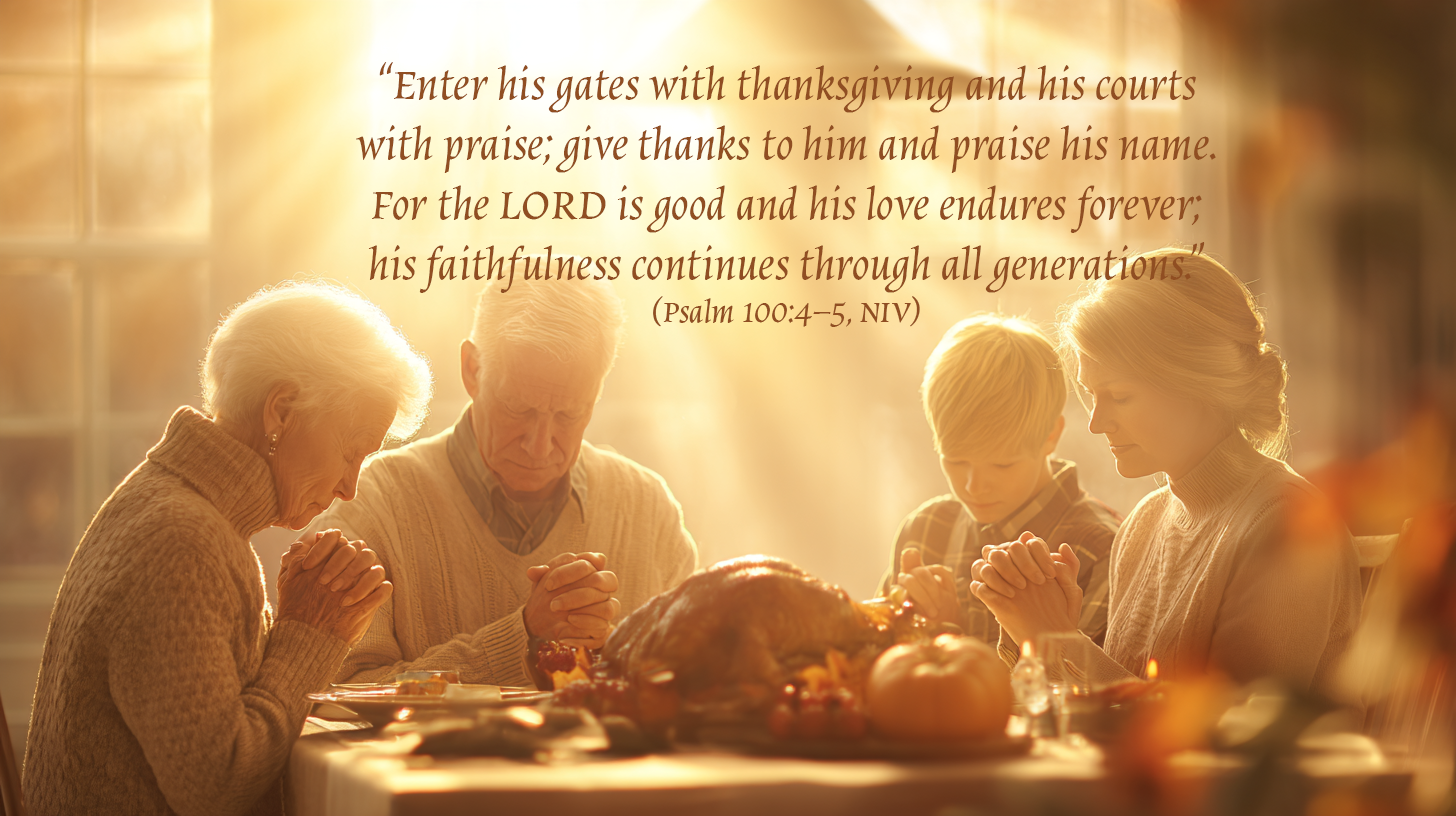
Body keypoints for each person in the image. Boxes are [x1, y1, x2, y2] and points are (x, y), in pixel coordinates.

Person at [22, 282, 433, 816]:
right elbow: (219, 787)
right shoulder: (183, 543)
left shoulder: (170, 504)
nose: (348, 488)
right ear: (281, 411)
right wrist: (308, 637)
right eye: (352, 453)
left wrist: (289, 629)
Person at [970, 249, 1361, 690]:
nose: (1098, 423)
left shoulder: (1284, 524)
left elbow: (1227, 744)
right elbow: (1122, 735)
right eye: (1091, 394)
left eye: (1119, 396)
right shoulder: (1143, 524)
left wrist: (1058, 641)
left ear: (1199, 385)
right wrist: (1031, 628)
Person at [312, 277, 698, 688]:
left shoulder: (647, 510)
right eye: (519, 408)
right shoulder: (374, 506)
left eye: (569, 415)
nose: (539, 445)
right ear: (472, 369)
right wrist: (524, 636)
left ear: (598, 391)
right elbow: (340, 695)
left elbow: (695, 687)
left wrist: (612, 657)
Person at [881, 314, 1121, 662]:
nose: (973, 487)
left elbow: (1084, 700)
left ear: (1051, 435)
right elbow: (869, 674)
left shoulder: (1100, 551)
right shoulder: (926, 531)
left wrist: (948, 642)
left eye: (1002, 464)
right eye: (956, 461)